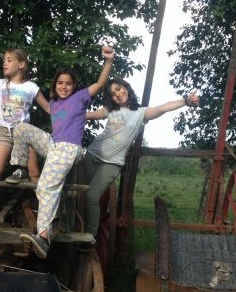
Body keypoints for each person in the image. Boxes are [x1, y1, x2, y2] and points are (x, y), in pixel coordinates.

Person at [5, 45, 115, 259]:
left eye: (68, 83)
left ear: (74, 86)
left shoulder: (80, 98)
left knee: (46, 186)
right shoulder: (53, 103)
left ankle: (44, 237)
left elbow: (100, 84)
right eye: (60, 83)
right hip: (54, 144)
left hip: (68, 147)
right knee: (21, 128)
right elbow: (34, 94)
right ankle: (20, 169)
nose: (64, 87)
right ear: (55, 85)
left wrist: (108, 60)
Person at [82, 79, 200, 248]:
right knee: (76, 193)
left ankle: (90, 238)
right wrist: (59, 113)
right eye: (113, 94)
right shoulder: (111, 110)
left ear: (126, 87)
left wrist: (186, 101)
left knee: (92, 196)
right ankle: (72, 228)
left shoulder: (141, 113)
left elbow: (163, 108)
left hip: (111, 164)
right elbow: (86, 115)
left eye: (119, 89)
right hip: (92, 155)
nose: (118, 94)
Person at [0, 48, 50, 225]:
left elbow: (49, 108)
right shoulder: (0, 84)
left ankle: (45, 210)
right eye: (4, 61)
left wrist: (70, 113)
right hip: (4, 132)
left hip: (25, 134)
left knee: (34, 172)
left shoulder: (31, 87)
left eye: (9, 60)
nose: (5, 63)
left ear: (21, 64)